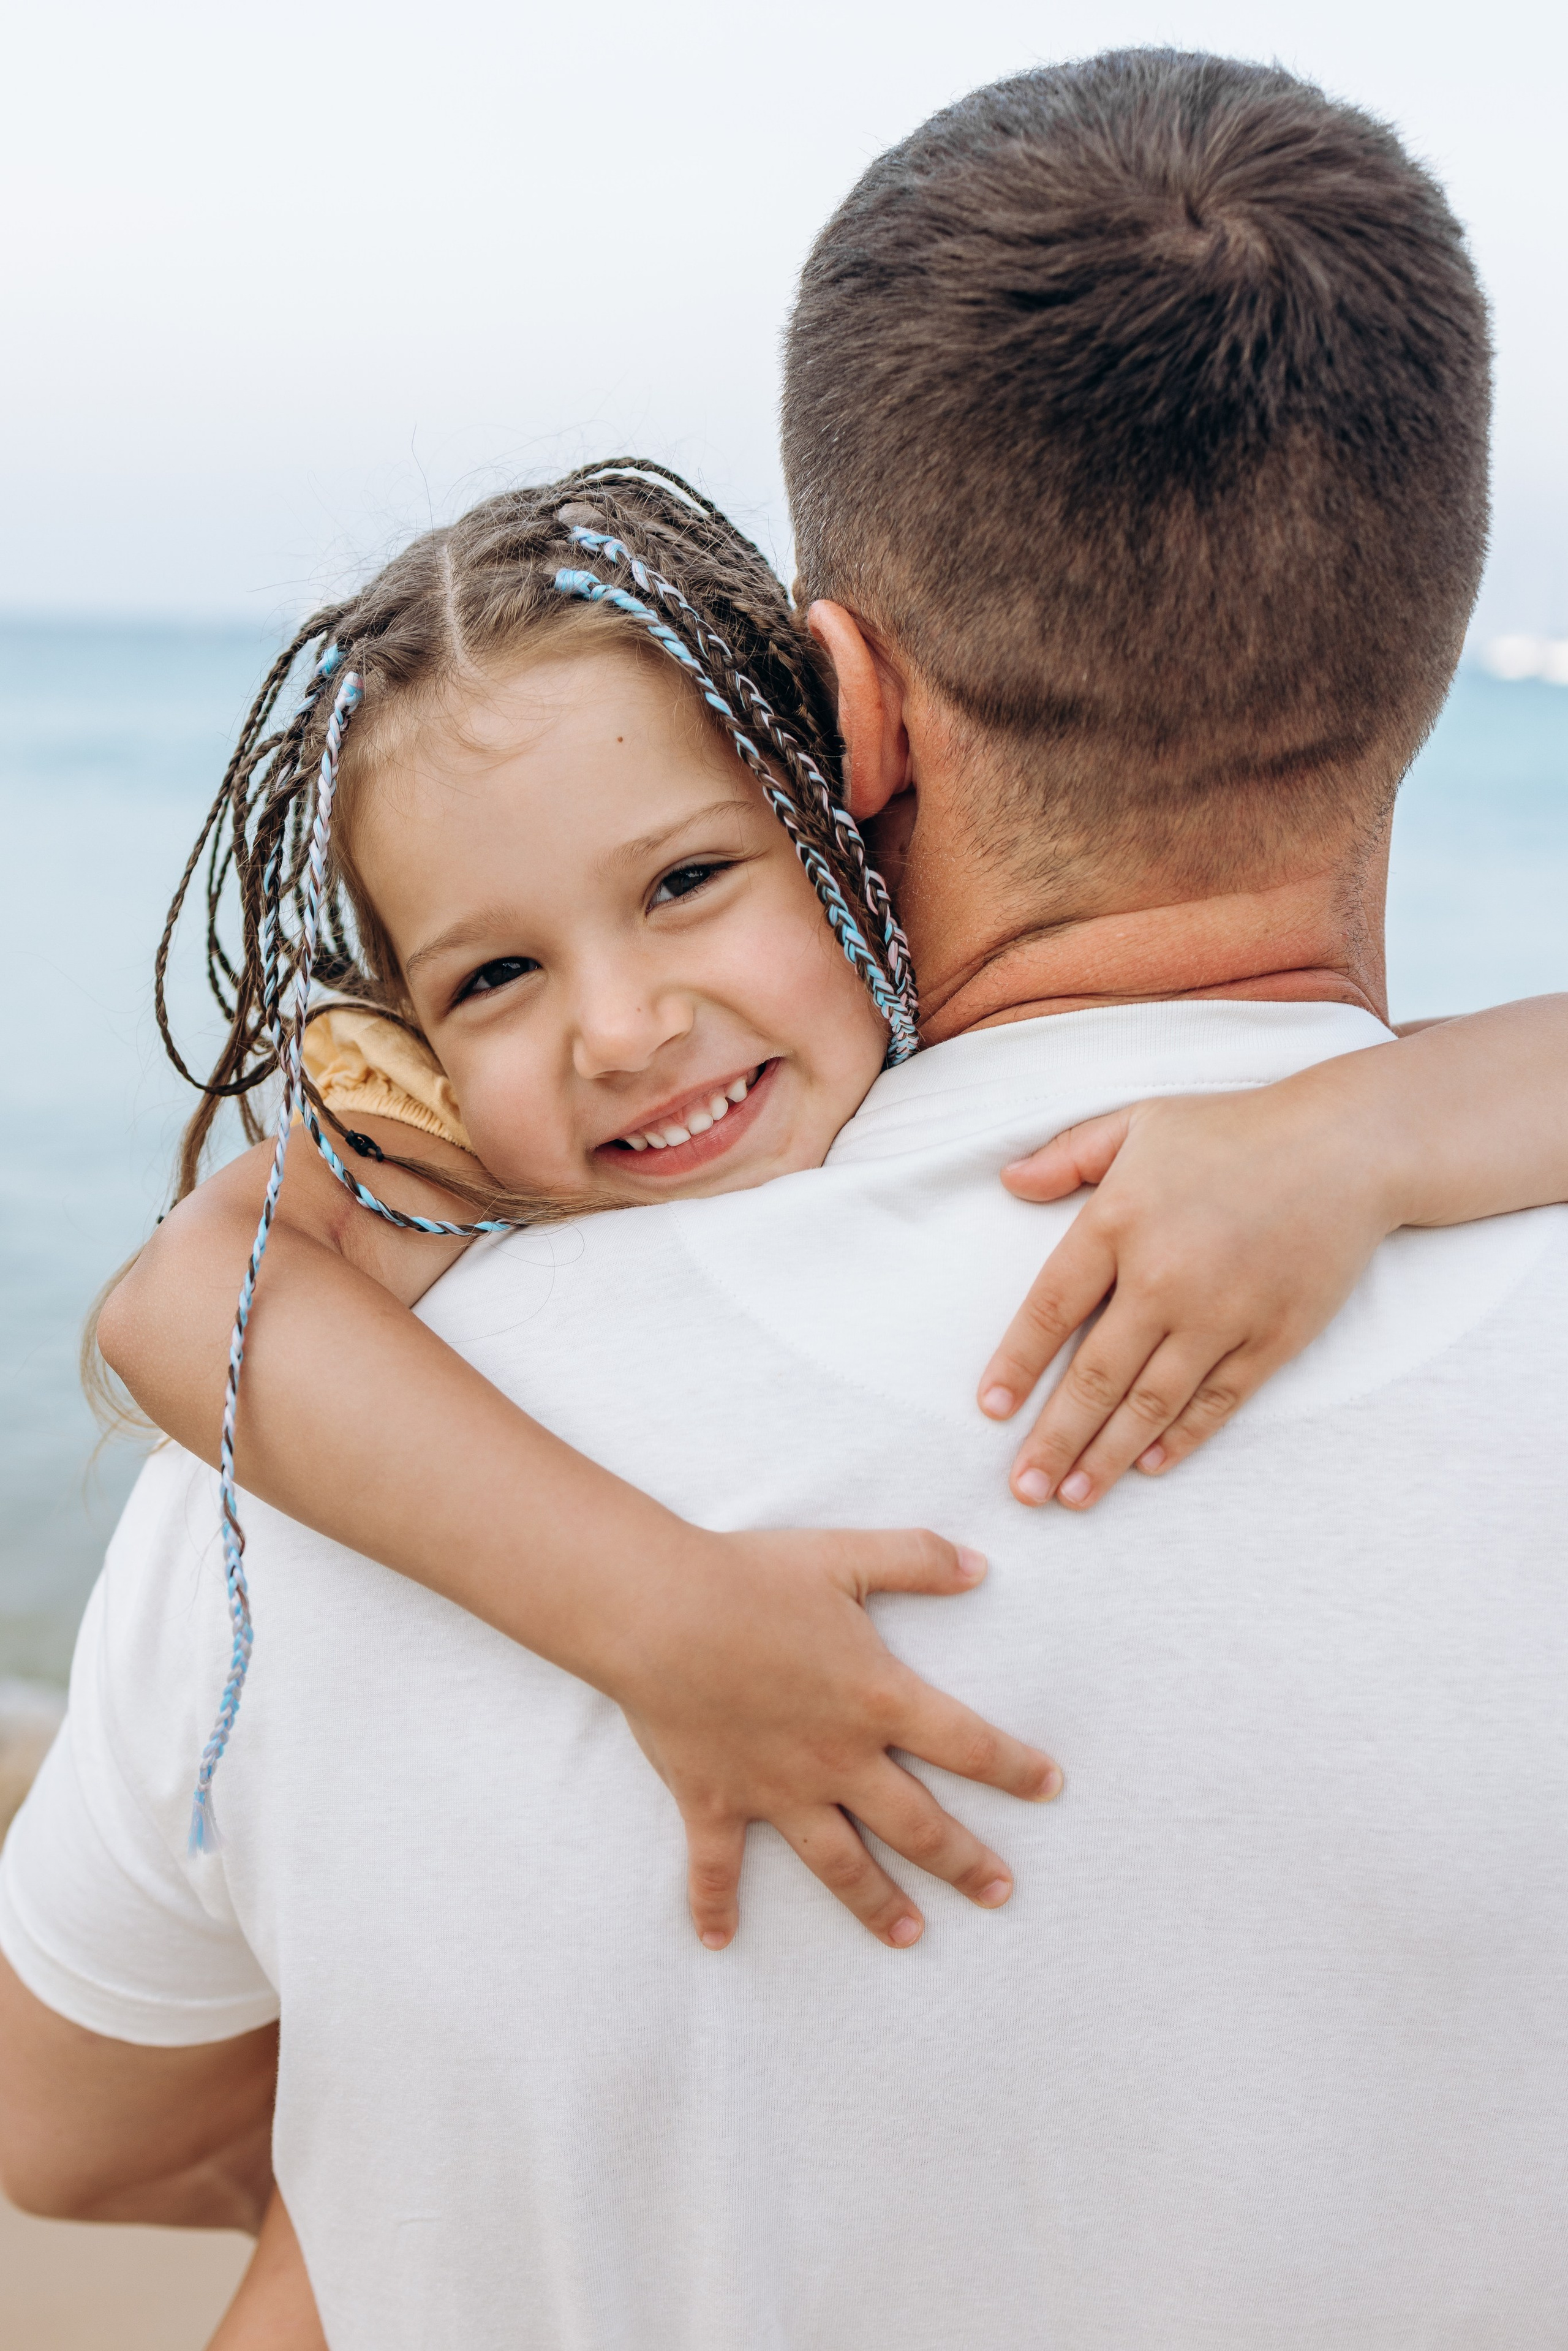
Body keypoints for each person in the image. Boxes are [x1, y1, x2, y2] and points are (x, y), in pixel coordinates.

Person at [4, 47, 1568, 2345]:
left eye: (681, 885)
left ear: (832, 710)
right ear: (1430, 636)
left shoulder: (323, 1469)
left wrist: (386, 2186)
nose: (631, 1031)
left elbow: (70, 2128)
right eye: (507, 973)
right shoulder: (361, 1369)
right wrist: (1381, 1126)